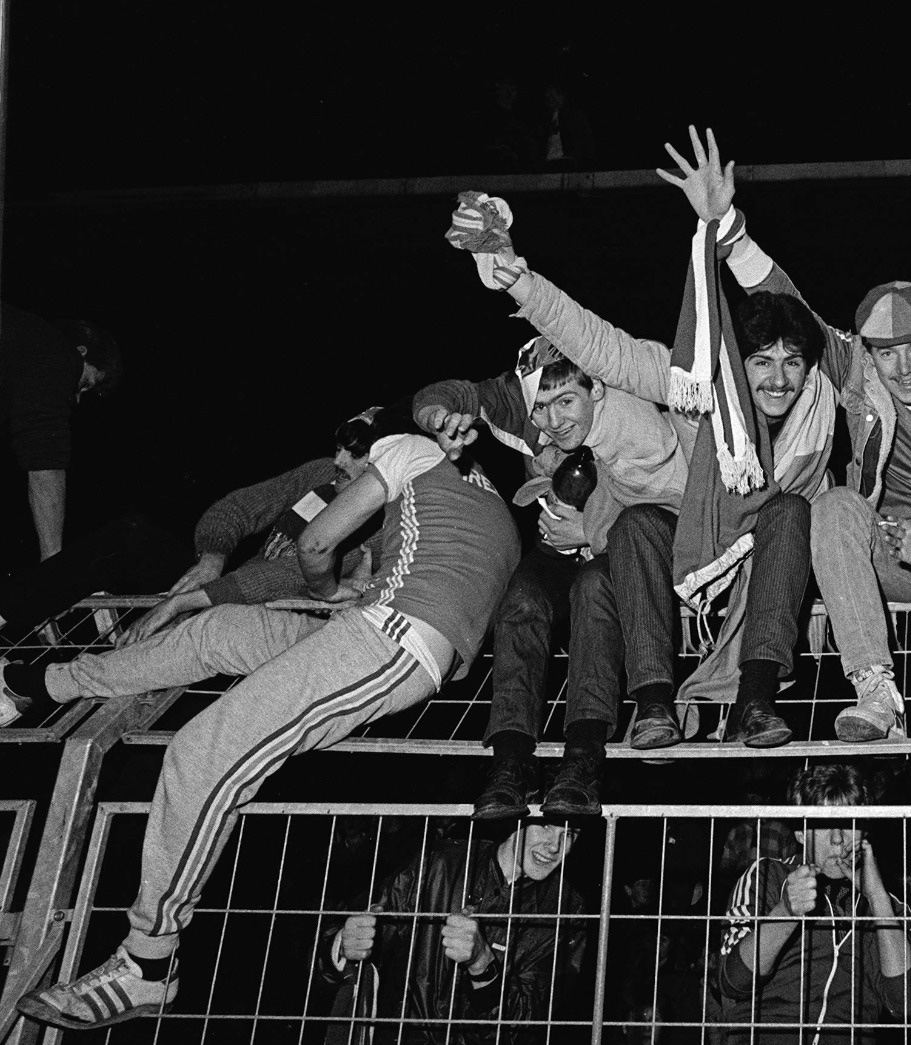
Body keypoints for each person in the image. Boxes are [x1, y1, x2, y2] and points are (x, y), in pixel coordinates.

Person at [14, 432, 519, 1030]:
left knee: (203, 752)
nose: (339, 470)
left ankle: (147, 966)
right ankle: (46, 683)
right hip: (363, 627)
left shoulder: (412, 455)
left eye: (354, 458)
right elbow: (284, 563)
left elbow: (314, 545)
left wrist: (323, 582)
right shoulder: (457, 505)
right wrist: (217, 590)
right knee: (220, 631)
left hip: (393, 639)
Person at [451, 154, 835, 753]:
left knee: (790, 509)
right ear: (738, 362)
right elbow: (601, 347)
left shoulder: (822, 399)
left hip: (766, 556)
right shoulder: (697, 383)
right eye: (760, 362)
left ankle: (756, 703)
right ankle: (653, 705)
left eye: (792, 362)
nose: (778, 379)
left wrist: (728, 227)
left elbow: (792, 304)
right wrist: (520, 282)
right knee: (633, 525)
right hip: (690, 542)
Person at [658, 127, 911, 743]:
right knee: (831, 502)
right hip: (882, 551)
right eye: (887, 354)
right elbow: (788, 302)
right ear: (867, 354)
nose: (904, 369)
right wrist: (726, 226)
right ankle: (875, 689)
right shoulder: (853, 370)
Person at [416, 333, 688, 819]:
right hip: (558, 543)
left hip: (615, 542)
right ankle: (510, 762)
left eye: (565, 402)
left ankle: (583, 759)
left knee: (594, 590)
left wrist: (591, 529)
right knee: (521, 596)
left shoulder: (631, 413)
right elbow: (454, 393)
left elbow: (669, 504)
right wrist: (438, 415)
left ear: (595, 390)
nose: (552, 420)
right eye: (540, 407)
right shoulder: (527, 405)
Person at [0, 408, 397, 726]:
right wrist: (214, 556)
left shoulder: (388, 521)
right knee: (133, 536)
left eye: (355, 454)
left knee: (208, 630)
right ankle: (6, 614)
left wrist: (182, 603)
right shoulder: (322, 475)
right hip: (229, 588)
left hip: (271, 622)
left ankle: (26, 688)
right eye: (339, 448)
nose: (338, 460)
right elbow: (238, 507)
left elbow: (290, 576)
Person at [714, 763, 911, 1045]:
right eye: (825, 823)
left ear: (864, 831)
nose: (838, 839)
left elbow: (907, 1004)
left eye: (849, 824)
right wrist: (785, 913)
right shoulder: (767, 874)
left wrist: (877, 898)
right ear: (801, 832)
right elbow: (732, 982)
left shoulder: (891, 906)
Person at [320, 819, 588, 1044]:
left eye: (570, 834)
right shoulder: (438, 863)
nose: (555, 846)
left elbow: (527, 1026)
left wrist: (483, 965)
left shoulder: (567, 909)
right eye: (544, 826)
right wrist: (344, 944)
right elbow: (341, 939)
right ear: (517, 816)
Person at [1, 305, 121, 561]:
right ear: (81, 350)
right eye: (86, 384)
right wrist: (54, 562)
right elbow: (44, 459)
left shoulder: (18, 355)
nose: (77, 398)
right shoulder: (58, 354)